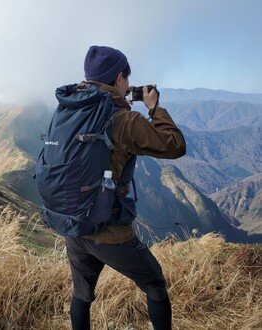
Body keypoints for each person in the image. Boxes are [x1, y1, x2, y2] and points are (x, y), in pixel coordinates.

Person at [65, 45, 186, 330]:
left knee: (82, 294)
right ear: (119, 78)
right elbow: (175, 145)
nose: (129, 86)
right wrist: (154, 108)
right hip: (107, 230)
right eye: (127, 80)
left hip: (74, 223)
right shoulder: (124, 120)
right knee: (155, 283)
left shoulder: (71, 108)